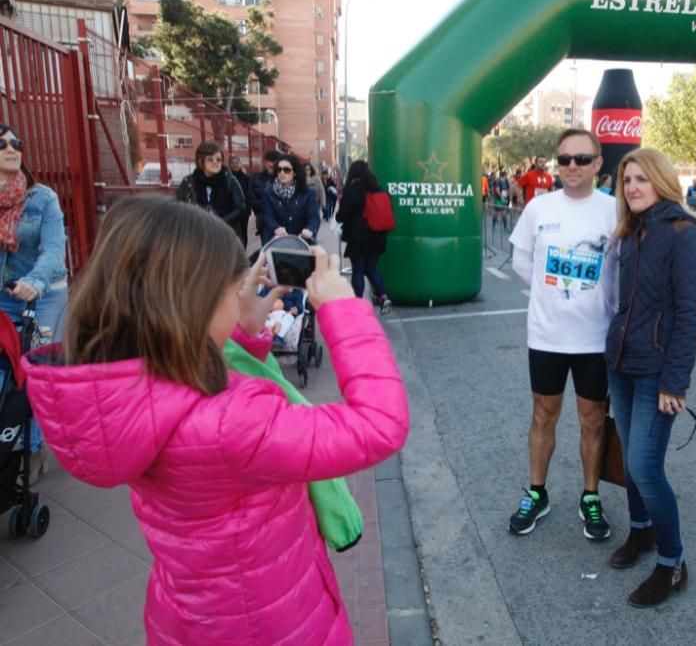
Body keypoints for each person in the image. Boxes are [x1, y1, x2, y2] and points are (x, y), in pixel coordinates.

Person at [23, 196, 408, 645]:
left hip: (195, 616)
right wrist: (343, 310)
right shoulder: (232, 424)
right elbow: (379, 424)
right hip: (274, 623)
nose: (241, 292)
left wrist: (240, 329)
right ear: (195, 305)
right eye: (232, 287)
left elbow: (204, 390)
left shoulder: (137, 389)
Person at [604, 147, 696, 608]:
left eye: (642, 180)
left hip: (657, 372)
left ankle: (673, 564)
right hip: (621, 364)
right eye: (627, 181)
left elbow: (691, 314)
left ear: (662, 181)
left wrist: (675, 383)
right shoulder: (631, 232)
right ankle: (642, 532)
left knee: (646, 467)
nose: (633, 188)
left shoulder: (684, 233)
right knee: (629, 460)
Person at [507, 129, 618, 540]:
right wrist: (552, 295)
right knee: (542, 414)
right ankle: (537, 492)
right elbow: (522, 261)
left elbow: (623, 269)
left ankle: (591, 496)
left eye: (582, 159)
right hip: (547, 336)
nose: (572, 166)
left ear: (598, 163)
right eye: (565, 159)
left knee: (592, 420)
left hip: (595, 338)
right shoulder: (538, 207)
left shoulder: (614, 210)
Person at [0, 123, 68, 473]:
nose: (12, 148)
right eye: (2, 144)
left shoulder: (42, 198)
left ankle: (32, 447)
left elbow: (55, 250)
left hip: (44, 294)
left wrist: (35, 281)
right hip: (4, 296)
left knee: (35, 367)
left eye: (17, 143)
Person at [336, 159, 392, 314]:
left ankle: (359, 304)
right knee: (372, 269)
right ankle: (383, 296)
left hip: (358, 238)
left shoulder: (352, 190)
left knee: (358, 270)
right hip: (378, 237)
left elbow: (341, 216)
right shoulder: (379, 189)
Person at [176, 142, 245, 238]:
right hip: (197, 234)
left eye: (218, 159)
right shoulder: (189, 182)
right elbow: (179, 208)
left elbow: (240, 208)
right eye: (210, 159)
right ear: (201, 161)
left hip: (225, 234)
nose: (215, 162)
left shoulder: (230, 180)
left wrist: (220, 223)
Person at [259, 154, 320, 246]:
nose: (282, 173)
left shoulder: (308, 193)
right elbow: (268, 216)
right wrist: (276, 228)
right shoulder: (268, 193)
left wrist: (309, 229)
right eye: (279, 170)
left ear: (295, 172)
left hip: (301, 240)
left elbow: (314, 216)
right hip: (277, 239)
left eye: (286, 170)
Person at [249, 149, 281, 236]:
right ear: (265, 163)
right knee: (267, 247)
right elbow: (252, 200)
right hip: (263, 221)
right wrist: (269, 204)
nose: (273, 166)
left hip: (282, 222)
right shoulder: (256, 178)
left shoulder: (284, 177)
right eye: (270, 163)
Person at [229, 155, 252, 247]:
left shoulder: (247, 178)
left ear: (240, 164)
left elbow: (249, 194)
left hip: (243, 211)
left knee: (243, 232)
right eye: (233, 163)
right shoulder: (227, 178)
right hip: (230, 210)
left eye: (237, 163)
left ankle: (243, 251)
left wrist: (247, 209)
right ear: (229, 165)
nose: (235, 165)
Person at [306, 162, 327, 231]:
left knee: (316, 221)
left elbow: (322, 192)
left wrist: (322, 205)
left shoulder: (316, 179)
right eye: (305, 169)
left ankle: (313, 234)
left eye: (308, 169)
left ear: (311, 170)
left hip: (315, 204)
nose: (307, 171)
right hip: (304, 205)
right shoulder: (301, 180)